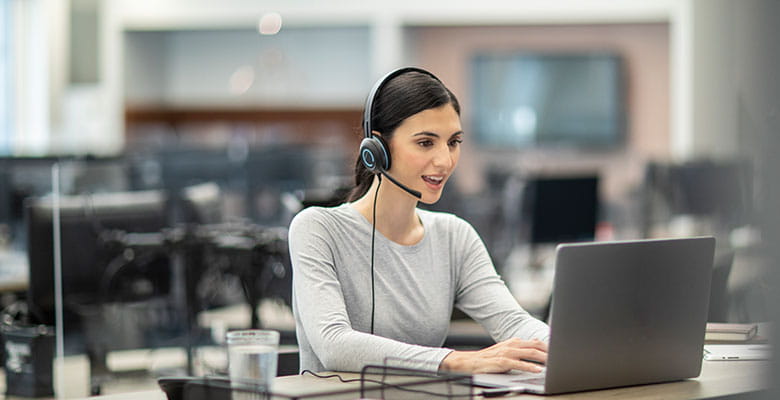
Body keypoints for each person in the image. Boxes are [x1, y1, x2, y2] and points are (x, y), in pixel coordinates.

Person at [288, 67, 549, 375]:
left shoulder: (454, 235)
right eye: (426, 142)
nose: (445, 160)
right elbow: (334, 345)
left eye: (453, 142)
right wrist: (457, 360)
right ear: (378, 149)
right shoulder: (317, 229)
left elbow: (514, 323)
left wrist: (570, 349)